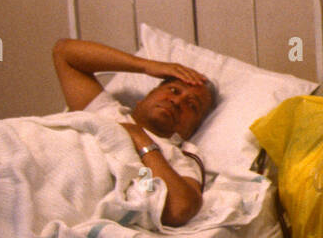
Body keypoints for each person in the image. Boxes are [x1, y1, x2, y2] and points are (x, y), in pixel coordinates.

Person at [52, 38, 216, 226]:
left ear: (190, 130)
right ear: (143, 99)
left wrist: (140, 138)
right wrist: (146, 66)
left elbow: (181, 209)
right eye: (173, 90)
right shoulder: (107, 111)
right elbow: (64, 52)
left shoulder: (180, 159)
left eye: (192, 105)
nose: (177, 102)